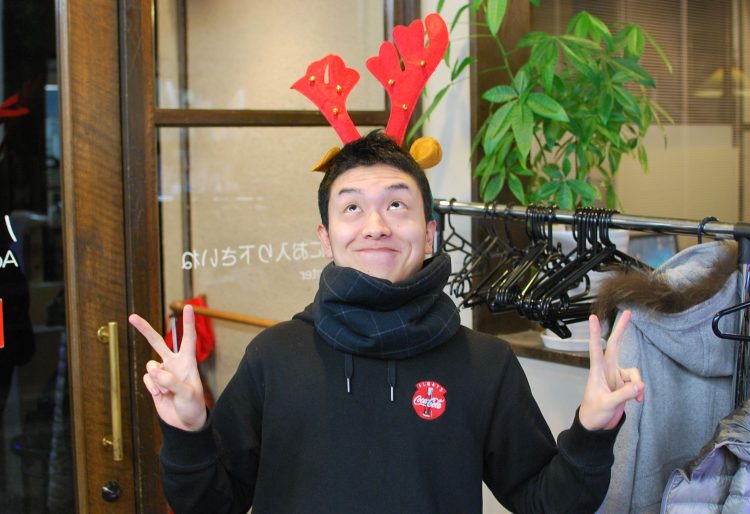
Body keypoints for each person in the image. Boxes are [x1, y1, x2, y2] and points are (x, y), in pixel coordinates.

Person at [129, 130, 645, 514]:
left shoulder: (485, 364)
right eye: (352, 208)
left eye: (396, 204)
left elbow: (547, 502)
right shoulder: (274, 356)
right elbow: (210, 505)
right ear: (326, 238)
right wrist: (189, 431)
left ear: (430, 232)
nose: (375, 226)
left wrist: (591, 431)